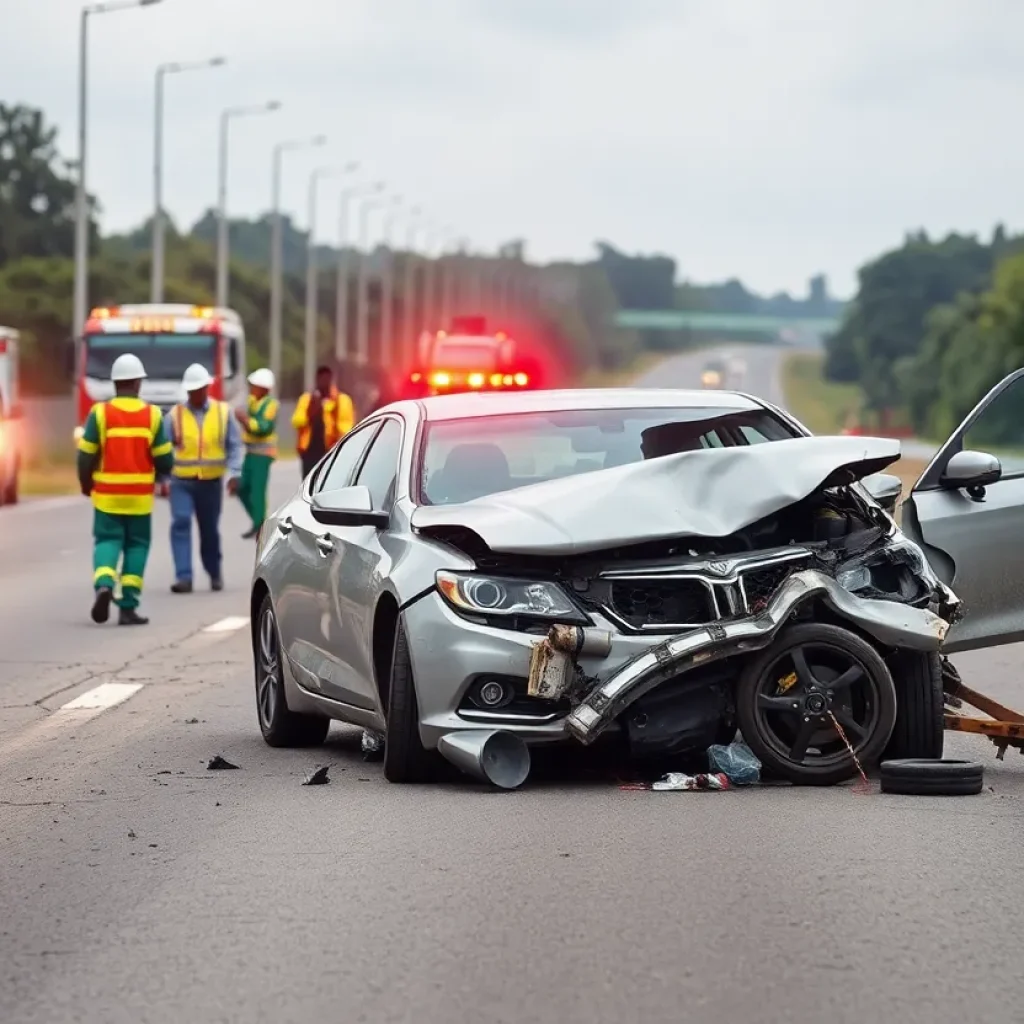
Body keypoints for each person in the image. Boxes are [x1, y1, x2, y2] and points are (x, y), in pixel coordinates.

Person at [76, 353, 174, 626]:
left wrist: (86, 484)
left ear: (115, 384)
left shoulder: (100, 413)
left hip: (107, 496)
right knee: (136, 547)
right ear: (138, 384)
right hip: (139, 499)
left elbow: (85, 455)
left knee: (107, 542)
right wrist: (164, 475)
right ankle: (128, 606)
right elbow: (165, 458)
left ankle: (105, 584)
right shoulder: (152, 415)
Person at [164, 363, 243, 593]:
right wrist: (161, 479)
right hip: (182, 482)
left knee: (209, 530)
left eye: (199, 389)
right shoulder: (175, 416)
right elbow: (163, 449)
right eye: (191, 390)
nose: (195, 394)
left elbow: (235, 446)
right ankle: (184, 577)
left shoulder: (223, 413)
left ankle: (214, 571)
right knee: (180, 523)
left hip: (210, 483)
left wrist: (235, 473)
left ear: (207, 388)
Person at [236, 367, 278, 539]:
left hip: (263, 455)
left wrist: (245, 420)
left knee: (257, 492)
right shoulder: (253, 402)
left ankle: (259, 526)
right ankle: (258, 521)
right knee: (242, 488)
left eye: (254, 385)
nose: (251, 388)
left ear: (263, 388)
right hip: (250, 453)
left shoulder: (271, 405)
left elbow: (263, 428)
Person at [292, 364, 355, 477]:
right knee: (309, 486)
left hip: (331, 452)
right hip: (309, 453)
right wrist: (311, 411)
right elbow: (297, 421)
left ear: (331, 379)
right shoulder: (306, 399)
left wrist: (339, 449)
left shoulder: (342, 400)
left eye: (326, 378)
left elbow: (345, 428)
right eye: (320, 378)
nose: (323, 381)